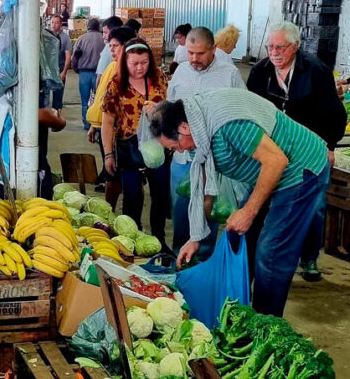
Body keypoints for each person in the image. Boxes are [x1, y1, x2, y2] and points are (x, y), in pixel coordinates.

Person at [150, 88, 331, 317]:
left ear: (183, 128)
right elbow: (206, 185)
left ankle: (265, 324)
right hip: (268, 172)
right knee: (237, 238)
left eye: (175, 147)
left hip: (300, 169)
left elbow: (276, 161)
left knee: (271, 252)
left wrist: (249, 211)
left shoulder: (228, 124)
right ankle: (237, 311)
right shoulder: (198, 129)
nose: (179, 151)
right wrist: (196, 237)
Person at [246, 21, 346, 282]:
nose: (274, 52)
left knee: (314, 206)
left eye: (281, 47)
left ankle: (310, 257)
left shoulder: (315, 70)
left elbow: (335, 113)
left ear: (296, 47)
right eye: (270, 46)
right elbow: (251, 111)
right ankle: (254, 258)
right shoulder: (260, 72)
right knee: (263, 199)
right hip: (272, 149)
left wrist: (330, 146)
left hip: (309, 149)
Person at [168, 26, 246, 258]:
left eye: (200, 53)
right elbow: (171, 106)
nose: (194, 59)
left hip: (214, 161)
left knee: (207, 214)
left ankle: (202, 261)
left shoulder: (229, 74)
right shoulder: (181, 71)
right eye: (190, 53)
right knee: (181, 213)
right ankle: (178, 263)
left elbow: (241, 111)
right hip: (183, 158)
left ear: (213, 49)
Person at [101, 38, 169, 247]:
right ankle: (131, 241)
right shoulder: (116, 85)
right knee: (131, 198)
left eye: (145, 62)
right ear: (125, 62)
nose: (140, 68)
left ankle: (159, 239)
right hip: (128, 149)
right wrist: (108, 155)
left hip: (157, 148)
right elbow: (107, 122)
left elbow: (172, 112)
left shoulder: (160, 80)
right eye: (134, 63)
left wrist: (158, 113)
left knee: (160, 197)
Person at [87, 26, 136, 206]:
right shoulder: (112, 67)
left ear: (127, 47)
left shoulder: (130, 72)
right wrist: (94, 124)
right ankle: (110, 210)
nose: (111, 50)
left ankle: (119, 210)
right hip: (105, 129)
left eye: (115, 46)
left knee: (119, 176)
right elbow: (101, 98)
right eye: (110, 46)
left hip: (122, 133)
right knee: (112, 174)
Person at [72, 18, 104, 130]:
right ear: (98, 27)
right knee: (99, 99)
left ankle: (87, 124)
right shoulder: (104, 39)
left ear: (88, 27)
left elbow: (75, 57)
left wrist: (76, 69)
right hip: (100, 74)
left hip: (84, 73)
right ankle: (97, 123)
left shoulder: (81, 39)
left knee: (85, 101)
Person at [47, 15, 72, 111]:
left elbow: (68, 57)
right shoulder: (46, 35)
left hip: (59, 68)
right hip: (47, 68)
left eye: (56, 22)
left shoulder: (65, 38)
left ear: (61, 24)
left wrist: (64, 72)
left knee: (58, 93)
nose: (54, 25)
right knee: (44, 93)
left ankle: (56, 113)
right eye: (52, 22)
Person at [95, 16, 124, 88]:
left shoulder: (108, 48)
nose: (103, 36)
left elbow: (100, 76)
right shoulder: (124, 45)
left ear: (113, 31)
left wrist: (97, 94)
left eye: (105, 33)